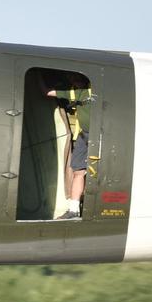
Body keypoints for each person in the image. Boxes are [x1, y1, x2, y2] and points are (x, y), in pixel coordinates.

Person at [45, 81, 94, 218]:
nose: (73, 80)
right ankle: (74, 210)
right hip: (83, 136)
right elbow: (48, 92)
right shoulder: (74, 92)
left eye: (75, 77)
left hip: (99, 135)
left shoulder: (95, 89)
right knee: (78, 171)